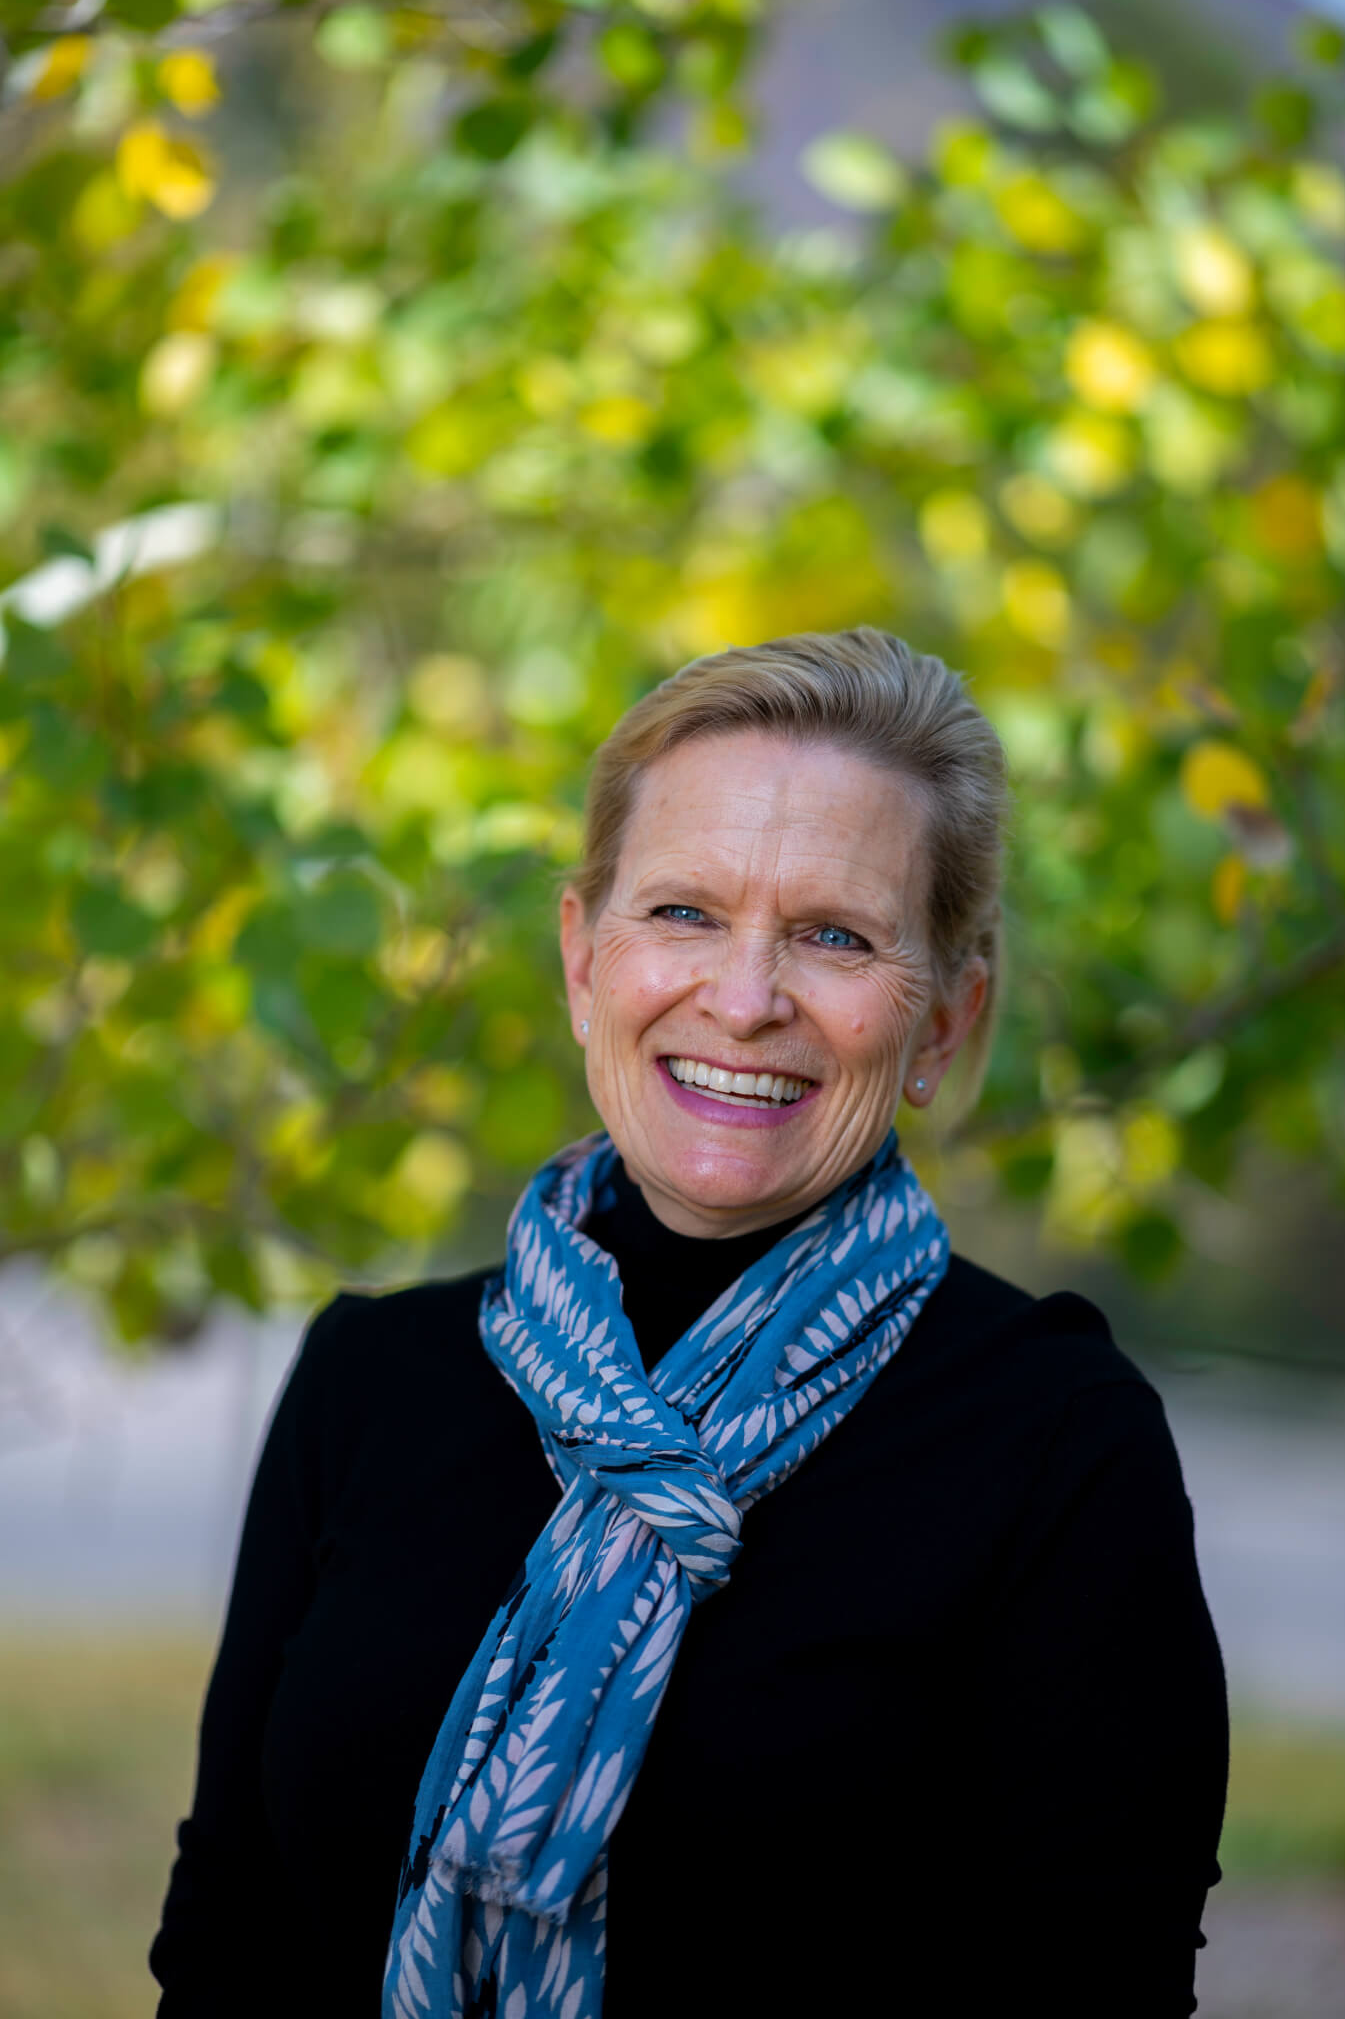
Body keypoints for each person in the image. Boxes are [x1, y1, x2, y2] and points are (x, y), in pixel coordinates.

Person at [150, 628, 1228, 2019]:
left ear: (945, 1022)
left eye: (835, 936)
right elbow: (228, 1937)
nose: (744, 999)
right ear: (581, 958)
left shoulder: (1056, 1448)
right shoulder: (370, 1379)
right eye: (682, 913)